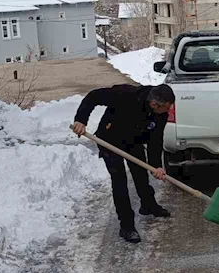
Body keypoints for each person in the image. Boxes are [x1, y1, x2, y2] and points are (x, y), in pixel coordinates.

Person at [72, 84, 175, 243]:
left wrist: (156, 166)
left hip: (133, 140)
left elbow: (155, 140)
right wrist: (80, 120)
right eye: (166, 108)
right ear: (154, 104)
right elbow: (93, 96)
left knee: (141, 174)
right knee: (119, 181)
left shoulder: (160, 114)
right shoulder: (125, 94)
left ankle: (148, 205)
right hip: (109, 140)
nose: (168, 111)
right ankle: (126, 226)